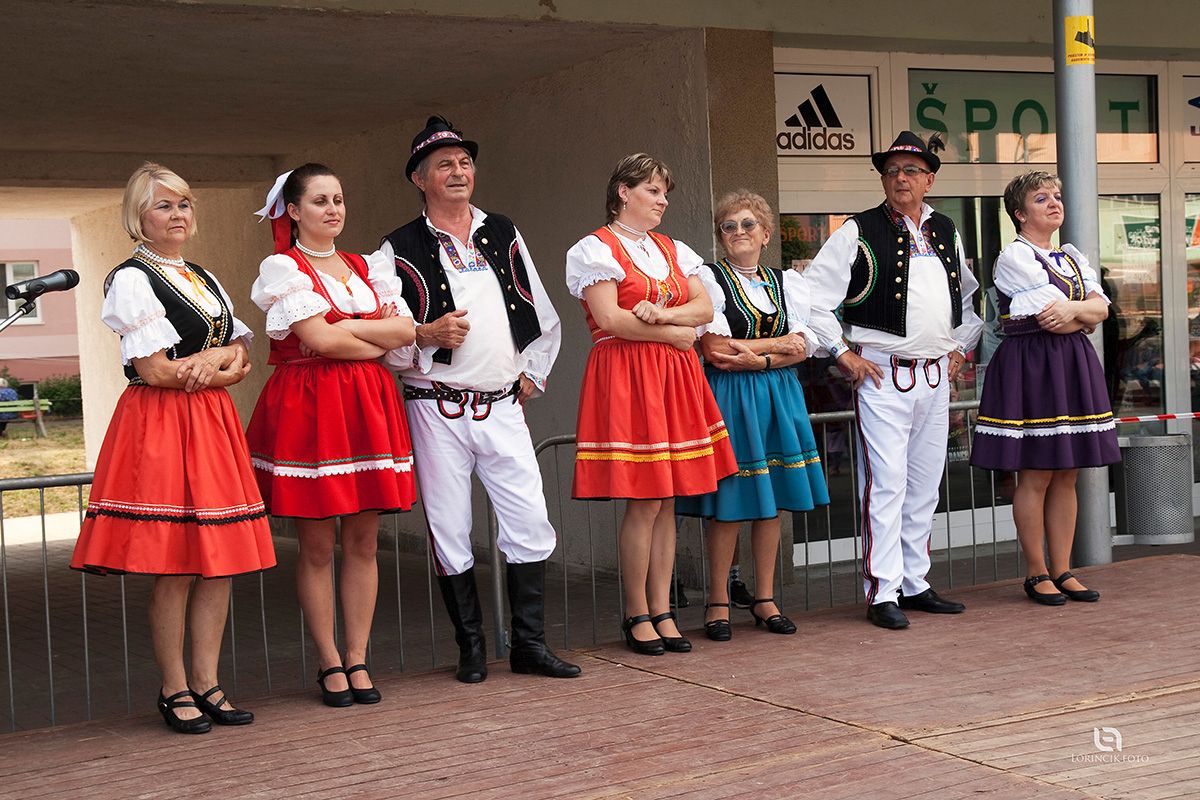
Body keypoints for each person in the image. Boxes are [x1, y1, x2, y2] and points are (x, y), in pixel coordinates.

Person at [70, 163, 275, 733]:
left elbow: (242, 356)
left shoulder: (202, 276)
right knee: (177, 563)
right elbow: (156, 371)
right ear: (139, 217)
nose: (178, 214)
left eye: (183, 203)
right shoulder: (131, 279)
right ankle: (174, 686)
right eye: (163, 205)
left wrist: (216, 361)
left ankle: (208, 682)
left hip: (209, 419)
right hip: (161, 422)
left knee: (218, 562)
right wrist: (218, 364)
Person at [376, 116, 579, 682]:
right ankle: (471, 647)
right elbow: (384, 338)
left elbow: (540, 312)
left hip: (502, 405)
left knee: (529, 519)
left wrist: (533, 372)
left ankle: (529, 645)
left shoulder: (502, 231)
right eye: (443, 164)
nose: (458, 171)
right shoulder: (395, 248)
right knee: (449, 527)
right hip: (434, 407)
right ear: (419, 178)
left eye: (464, 162)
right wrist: (425, 335)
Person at [246, 163, 417, 706]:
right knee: (318, 545)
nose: (333, 209)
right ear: (295, 211)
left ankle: (358, 656)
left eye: (338, 199)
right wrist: (367, 336)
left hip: (366, 406)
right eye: (320, 201)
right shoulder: (282, 268)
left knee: (364, 541)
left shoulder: (369, 266)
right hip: (313, 408)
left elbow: (404, 333)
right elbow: (320, 341)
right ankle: (328, 659)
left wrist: (345, 330)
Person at [806, 131, 984, 629]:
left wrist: (958, 348)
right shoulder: (857, 230)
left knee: (924, 485)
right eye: (891, 171)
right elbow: (812, 299)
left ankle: (914, 582)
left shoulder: (946, 229)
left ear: (929, 180)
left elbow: (966, 303)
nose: (900, 178)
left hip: (934, 377)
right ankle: (882, 589)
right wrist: (842, 352)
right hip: (883, 375)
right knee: (885, 485)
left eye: (910, 171)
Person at [566, 153, 737, 655]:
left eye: (665, 193)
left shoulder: (673, 249)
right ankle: (636, 611)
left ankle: (662, 609)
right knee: (644, 499)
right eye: (653, 191)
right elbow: (610, 319)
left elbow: (705, 307)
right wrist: (676, 333)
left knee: (667, 500)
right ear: (624, 191)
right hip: (628, 373)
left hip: (672, 376)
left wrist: (663, 316)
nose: (663, 201)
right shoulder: (594, 248)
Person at [677, 190, 830, 639]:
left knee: (771, 501)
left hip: (778, 392)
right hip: (731, 396)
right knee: (730, 502)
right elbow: (716, 350)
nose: (739, 232)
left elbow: (804, 347)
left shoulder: (787, 282)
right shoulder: (709, 280)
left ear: (766, 234)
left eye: (748, 224)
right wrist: (778, 345)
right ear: (720, 236)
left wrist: (760, 357)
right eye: (729, 226)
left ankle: (765, 599)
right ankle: (718, 602)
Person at [970, 171, 1118, 604]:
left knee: (1067, 473)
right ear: (1019, 213)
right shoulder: (1014, 257)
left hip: (1069, 363)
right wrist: (1081, 313)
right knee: (1036, 472)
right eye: (1041, 198)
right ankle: (1036, 572)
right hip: (1033, 366)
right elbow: (1049, 317)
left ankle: (1063, 568)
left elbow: (1100, 311)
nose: (1054, 203)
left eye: (1056, 196)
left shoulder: (1070, 257)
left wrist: (1077, 312)